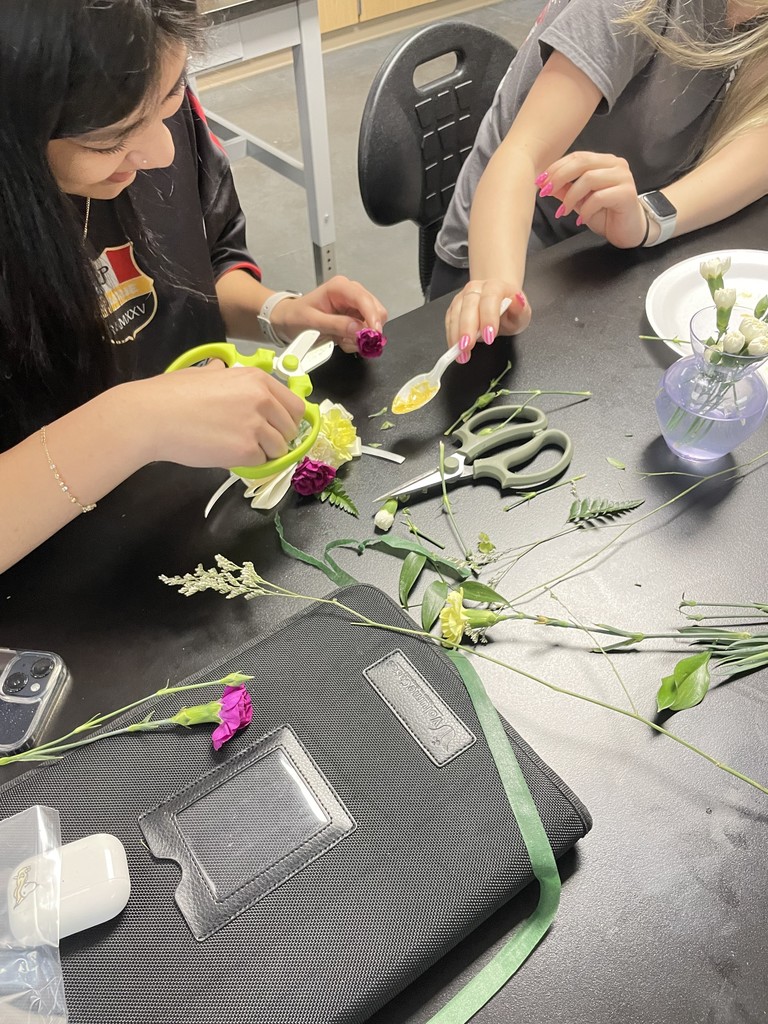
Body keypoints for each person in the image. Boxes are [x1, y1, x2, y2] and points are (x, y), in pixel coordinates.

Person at [0, 0, 387, 573]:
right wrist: (133, 423)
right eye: (108, 141)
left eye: (171, 96)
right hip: (60, 574)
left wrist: (277, 314)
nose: (162, 153)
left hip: (183, 519)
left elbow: (199, 266)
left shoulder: (143, 87)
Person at [432, 0, 768, 358]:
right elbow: (521, 156)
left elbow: (755, 144)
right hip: (508, 249)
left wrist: (648, 218)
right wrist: (497, 290)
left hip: (611, 259)